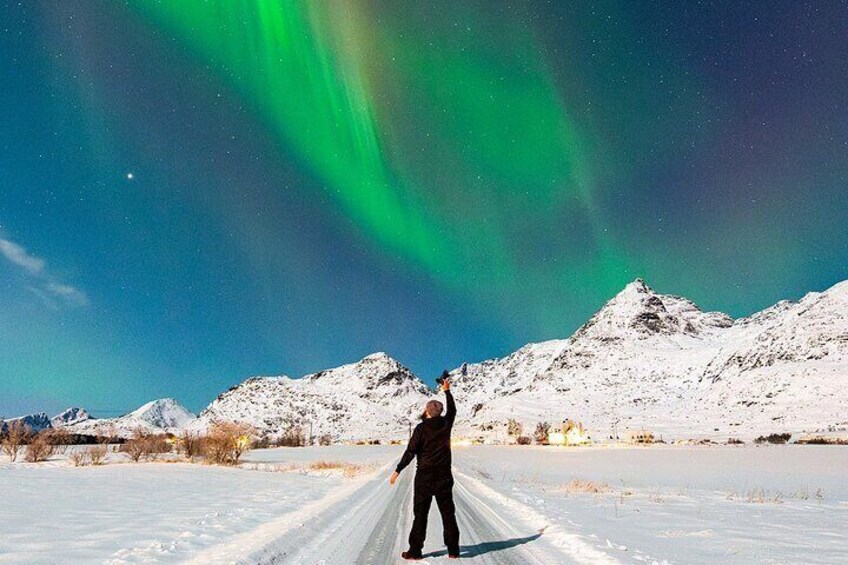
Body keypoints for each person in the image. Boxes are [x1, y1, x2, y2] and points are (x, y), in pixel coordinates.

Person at [389, 371, 460, 560]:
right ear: (440, 412)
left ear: (427, 411)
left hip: (425, 478)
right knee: (448, 513)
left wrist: (397, 470)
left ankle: (415, 551)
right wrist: (447, 391)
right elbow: (453, 410)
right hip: (444, 477)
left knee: (420, 514)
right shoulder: (446, 423)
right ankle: (453, 550)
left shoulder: (421, 429)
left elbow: (410, 452)